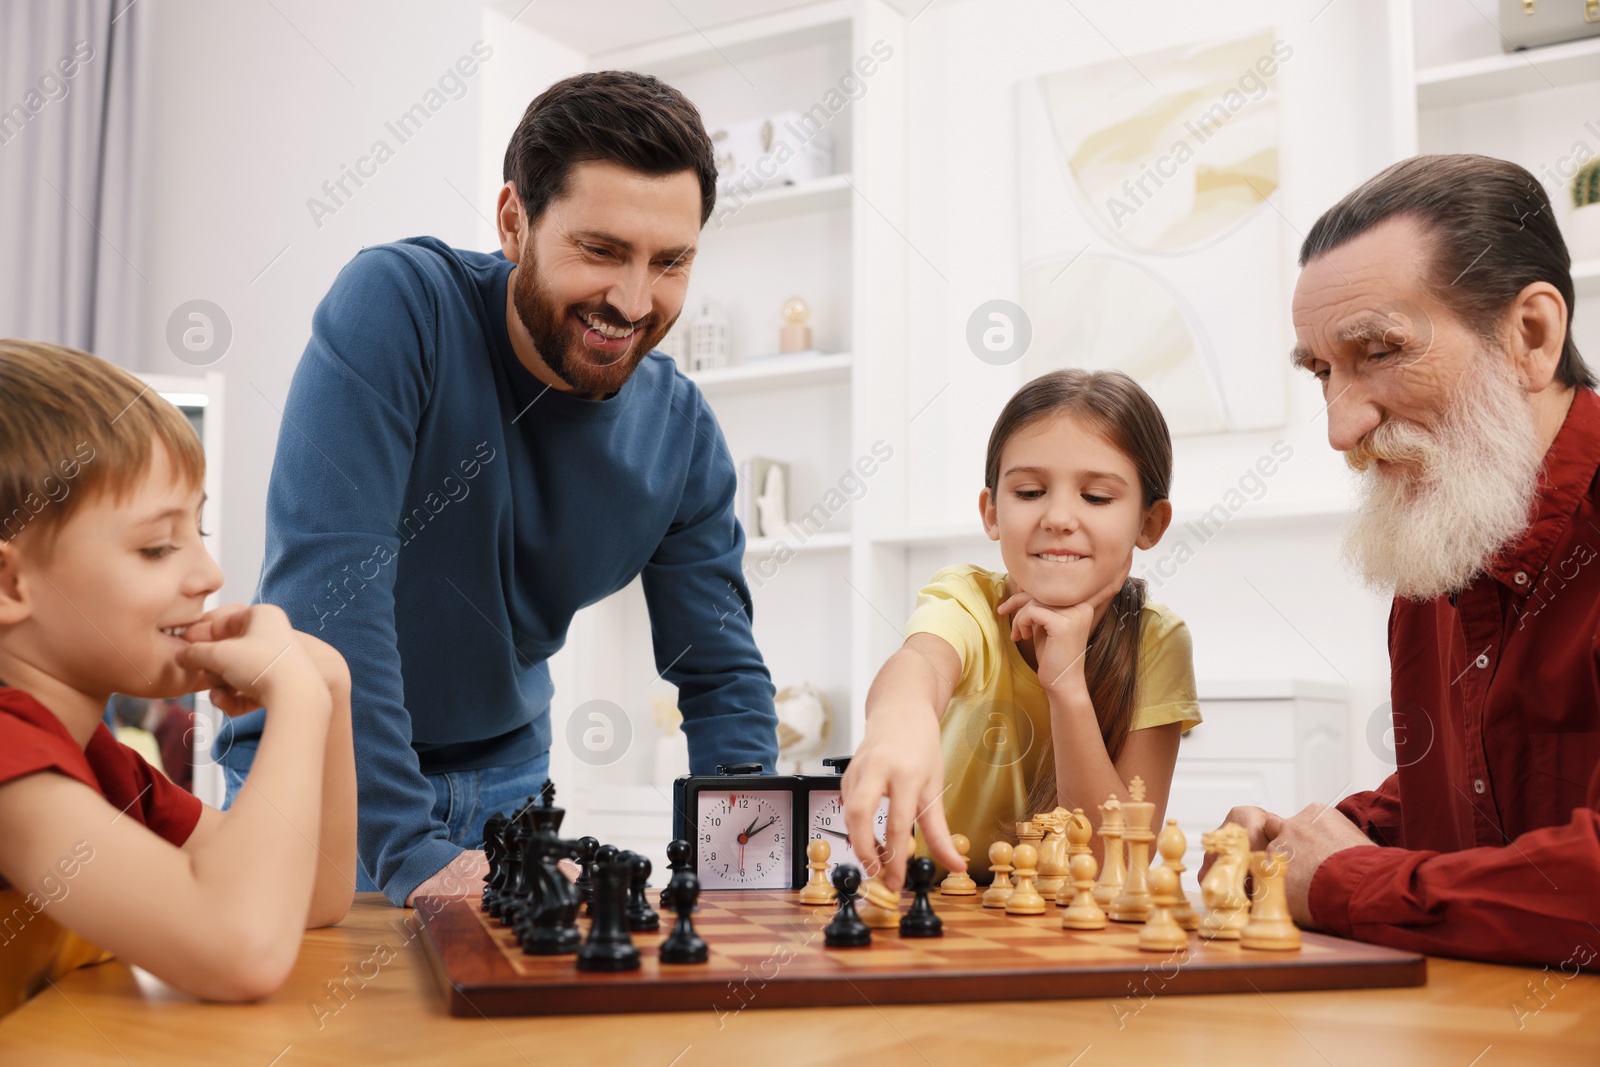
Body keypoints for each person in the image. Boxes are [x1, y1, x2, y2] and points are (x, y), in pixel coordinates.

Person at [215, 70, 779, 908]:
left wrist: (746, 875)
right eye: (601, 250)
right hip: (321, 773)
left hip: (507, 784)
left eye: (670, 262)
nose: (632, 301)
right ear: (515, 221)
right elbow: (331, 593)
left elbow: (722, 672)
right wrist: (410, 851)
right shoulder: (398, 309)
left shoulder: (684, 434)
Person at [1208, 154, 1600, 969]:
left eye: (1380, 350)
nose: (1339, 428)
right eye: (1321, 371)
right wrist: (1319, 840)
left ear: (1531, 336)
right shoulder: (1445, 543)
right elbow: (1481, 807)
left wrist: (1348, 880)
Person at [0, 341, 356, 1016]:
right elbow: (238, 948)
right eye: (157, 546)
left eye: (200, 529)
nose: (208, 575)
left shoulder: (99, 761)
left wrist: (328, 688)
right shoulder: (11, 759)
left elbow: (314, 893)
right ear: (9, 582)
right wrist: (296, 700)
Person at [842, 369, 1202, 890]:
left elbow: (1112, 864)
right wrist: (898, 717)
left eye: (1097, 497)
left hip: (1061, 925)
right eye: (1030, 491)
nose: (1058, 517)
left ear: (1150, 523)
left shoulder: (1158, 642)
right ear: (991, 512)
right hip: (934, 905)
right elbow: (921, 663)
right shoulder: (968, 598)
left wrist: (1067, 686)